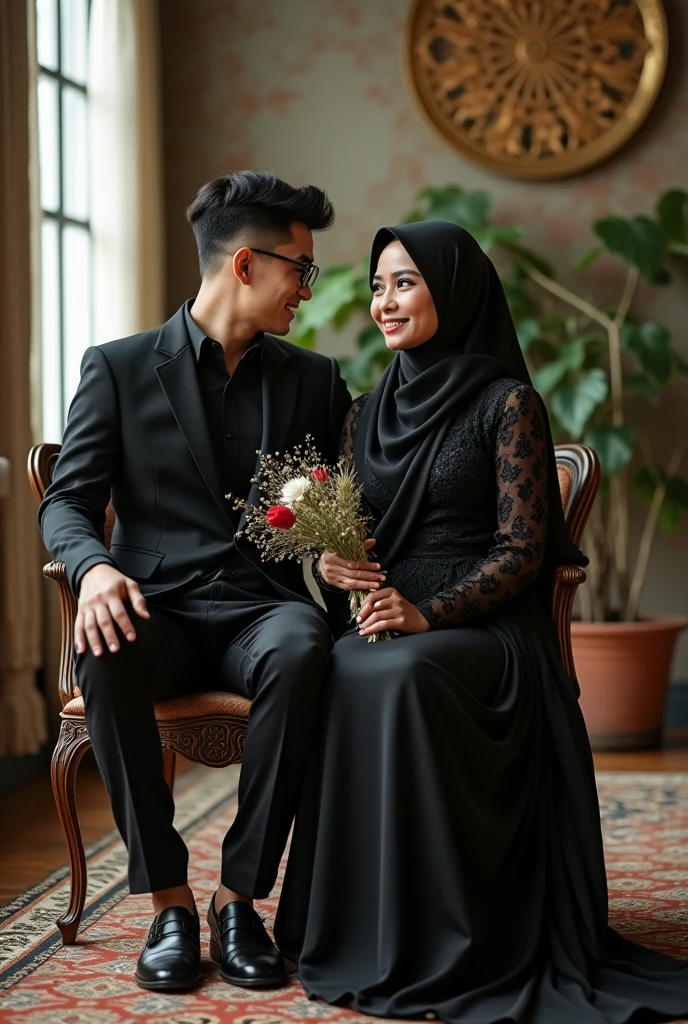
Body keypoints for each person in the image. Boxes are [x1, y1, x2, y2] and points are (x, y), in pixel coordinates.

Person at [274, 221, 688, 1023]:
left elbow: (524, 551)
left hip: (485, 627)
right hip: (390, 614)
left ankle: (450, 933)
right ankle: (367, 928)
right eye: (375, 285)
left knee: (399, 672)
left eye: (403, 283)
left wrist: (429, 613)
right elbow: (355, 532)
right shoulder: (365, 413)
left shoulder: (509, 404)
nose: (382, 302)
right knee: (339, 662)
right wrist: (332, 566)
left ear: (454, 290)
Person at [38, 171, 355, 992]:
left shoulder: (315, 380)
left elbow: (344, 505)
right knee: (101, 646)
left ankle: (238, 897)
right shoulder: (116, 367)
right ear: (246, 264)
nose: (306, 290)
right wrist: (95, 565)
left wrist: (336, 551)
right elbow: (68, 501)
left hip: (263, 616)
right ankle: (169, 905)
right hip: (159, 614)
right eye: (300, 269)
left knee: (303, 644)